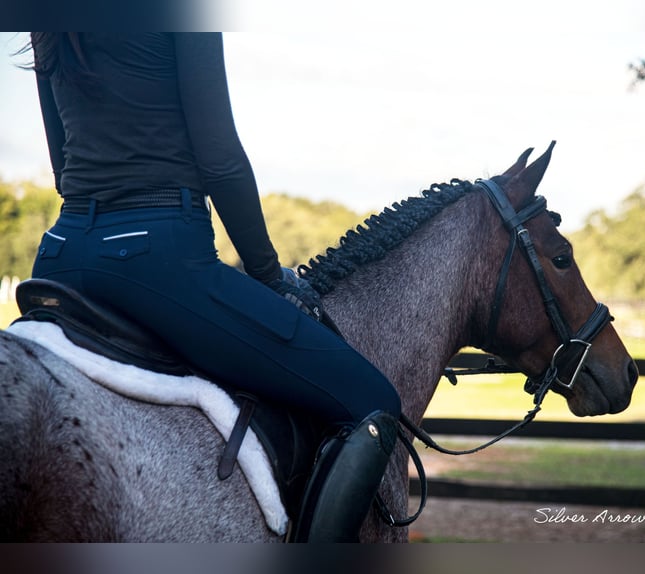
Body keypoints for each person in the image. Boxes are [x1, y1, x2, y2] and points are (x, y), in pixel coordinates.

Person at [28, 32, 401, 542]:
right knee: (372, 397)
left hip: (58, 256)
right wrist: (269, 274)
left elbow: (61, 161)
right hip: (158, 258)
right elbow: (220, 158)